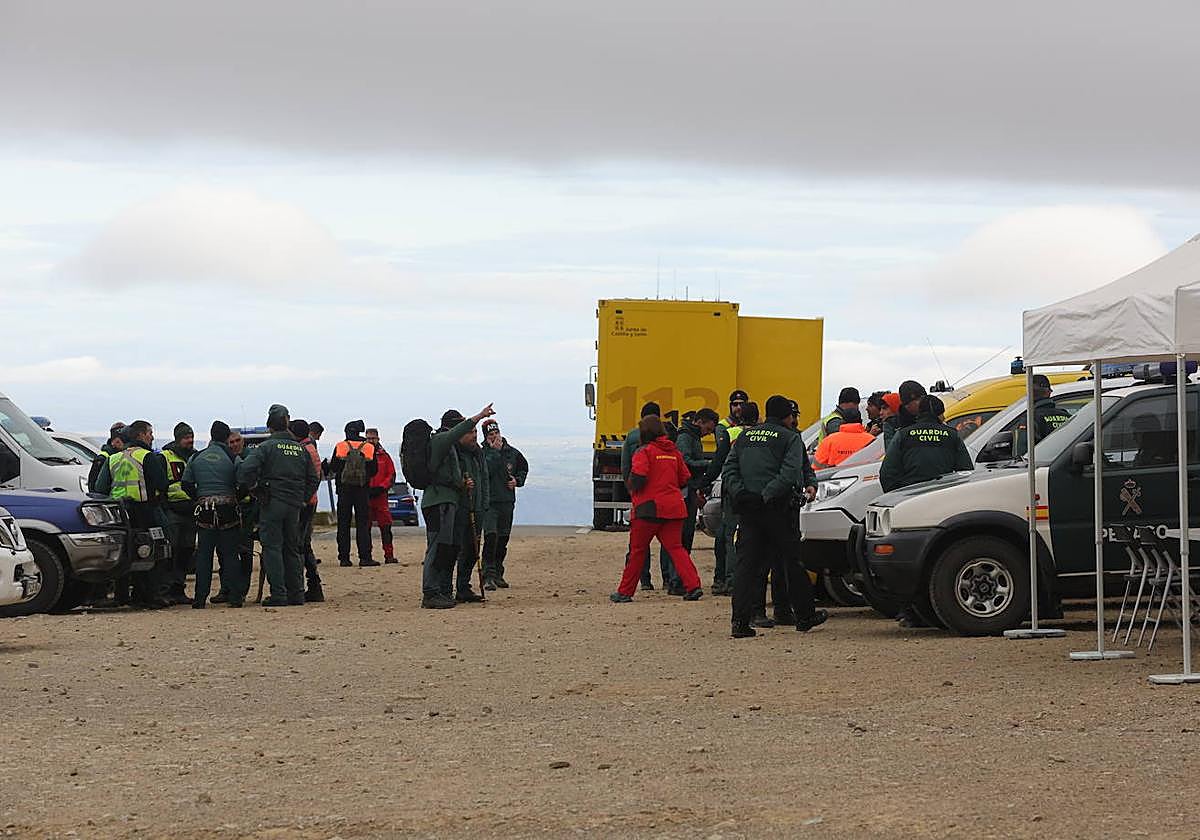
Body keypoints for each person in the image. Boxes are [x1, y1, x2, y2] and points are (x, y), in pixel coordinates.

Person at [723, 395, 826, 638]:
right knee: (792, 563)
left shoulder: (745, 437)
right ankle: (804, 616)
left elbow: (729, 469)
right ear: (786, 416)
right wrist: (766, 495)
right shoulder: (790, 438)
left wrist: (743, 494)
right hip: (779, 509)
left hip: (749, 509)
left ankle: (740, 622)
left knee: (747, 565)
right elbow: (790, 473)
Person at [610, 415, 704, 602]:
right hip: (674, 508)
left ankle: (625, 592)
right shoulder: (673, 452)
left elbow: (638, 476)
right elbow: (684, 478)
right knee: (676, 549)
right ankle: (693, 586)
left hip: (648, 509)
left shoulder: (644, 452)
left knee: (638, 550)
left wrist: (632, 488)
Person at [237, 404, 320, 607]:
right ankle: (297, 594)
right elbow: (313, 477)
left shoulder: (266, 447)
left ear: (269, 426)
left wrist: (255, 489)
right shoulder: (300, 449)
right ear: (287, 423)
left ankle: (279, 594)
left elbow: (245, 470)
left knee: (272, 548)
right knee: (293, 548)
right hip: (295, 506)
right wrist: (303, 498)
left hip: (272, 503)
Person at [420, 404, 495, 609]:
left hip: (448, 501)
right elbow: (458, 432)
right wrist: (480, 415)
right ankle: (432, 592)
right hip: (439, 502)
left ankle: (443, 591)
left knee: (448, 548)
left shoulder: (452, 447)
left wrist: (462, 484)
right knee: (438, 548)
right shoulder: (441, 440)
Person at [93, 420, 171, 609]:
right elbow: (162, 483)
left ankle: (121, 595)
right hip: (145, 511)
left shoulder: (114, 458)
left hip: (119, 513)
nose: (152, 437)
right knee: (152, 551)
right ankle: (148, 595)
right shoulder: (147, 457)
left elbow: (100, 487)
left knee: (124, 552)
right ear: (141, 435)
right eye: (150, 433)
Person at [182, 421, 244, 608]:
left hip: (205, 511)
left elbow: (185, 484)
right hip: (228, 510)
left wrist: (198, 498)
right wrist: (236, 497)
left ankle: (200, 599)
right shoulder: (233, 458)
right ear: (226, 438)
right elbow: (245, 482)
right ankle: (234, 597)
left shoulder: (196, 457)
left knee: (204, 555)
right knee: (231, 554)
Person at [621, 401, 677, 591]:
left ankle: (644, 580)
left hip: (642, 497)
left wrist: (631, 489)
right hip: (665, 497)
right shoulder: (666, 438)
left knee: (638, 544)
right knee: (670, 544)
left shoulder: (632, 437)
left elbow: (626, 467)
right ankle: (668, 579)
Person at [879, 395, 973, 492]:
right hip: (944, 495)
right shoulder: (952, 435)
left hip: (911, 498)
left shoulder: (903, 435)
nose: (944, 417)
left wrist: (898, 494)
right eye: (942, 413)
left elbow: (887, 473)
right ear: (937, 414)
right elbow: (966, 471)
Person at [480, 419, 528, 590]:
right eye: (490, 435)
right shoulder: (482, 453)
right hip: (489, 503)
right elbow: (486, 471)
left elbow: (523, 467)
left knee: (502, 539)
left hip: (507, 502)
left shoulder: (512, 453)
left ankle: (498, 573)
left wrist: (518, 481)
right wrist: (493, 452)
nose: (494, 437)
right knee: (491, 536)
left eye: (496, 434)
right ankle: (488, 575)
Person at [211, 429, 255, 606]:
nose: (234, 444)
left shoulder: (250, 457)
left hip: (247, 510)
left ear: (242, 441)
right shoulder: (224, 460)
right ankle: (226, 588)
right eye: (230, 442)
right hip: (227, 510)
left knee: (245, 551)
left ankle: (242, 590)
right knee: (224, 551)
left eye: (237, 441)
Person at [674, 407, 718, 580]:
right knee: (682, 535)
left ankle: (678, 578)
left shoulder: (692, 436)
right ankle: (676, 579)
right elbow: (685, 461)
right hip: (686, 490)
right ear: (699, 422)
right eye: (707, 429)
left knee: (685, 535)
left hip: (690, 488)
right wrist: (707, 464)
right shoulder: (686, 437)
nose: (707, 434)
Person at [330, 420, 378, 567]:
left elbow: (334, 467)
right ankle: (365, 557)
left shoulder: (340, 446)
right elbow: (374, 470)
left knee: (343, 524)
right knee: (363, 524)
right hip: (362, 489)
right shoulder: (369, 447)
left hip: (344, 490)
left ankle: (344, 558)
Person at [451, 424, 490, 602]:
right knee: (458, 549)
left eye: (475, 432)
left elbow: (484, 477)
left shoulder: (477, 453)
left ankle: (463, 586)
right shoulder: (456, 452)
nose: (474, 436)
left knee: (473, 550)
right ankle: (449, 587)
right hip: (462, 507)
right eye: (470, 432)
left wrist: (485, 502)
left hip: (478, 506)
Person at [162, 422, 197, 605]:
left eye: (191, 437)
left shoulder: (195, 457)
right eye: (186, 437)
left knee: (186, 550)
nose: (190, 440)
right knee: (171, 551)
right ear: (178, 439)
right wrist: (166, 506)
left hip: (191, 509)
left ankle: (178, 588)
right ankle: (166, 590)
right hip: (173, 509)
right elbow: (160, 483)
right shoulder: (165, 456)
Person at [291, 419, 325, 602]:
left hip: (304, 502)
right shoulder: (311, 447)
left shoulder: (303, 450)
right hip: (311, 501)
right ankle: (313, 585)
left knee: (299, 544)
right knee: (304, 543)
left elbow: (311, 478)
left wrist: (303, 499)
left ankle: (307, 586)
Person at [365, 427, 398, 564]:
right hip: (366, 496)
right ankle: (367, 556)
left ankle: (389, 555)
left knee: (386, 527)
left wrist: (381, 487)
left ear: (378, 439)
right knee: (365, 528)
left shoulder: (384, 456)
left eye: (373, 438)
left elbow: (391, 475)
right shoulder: (361, 454)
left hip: (381, 496)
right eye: (368, 438)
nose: (371, 441)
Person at [883, 380, 926, 447]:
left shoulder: (934, 417)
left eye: (924, 398)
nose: (923, 402)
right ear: (906, 404)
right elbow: (892, 453)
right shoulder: (893, 426)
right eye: (918, 399)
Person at [88, 422, 126, 493]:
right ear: (115, 441)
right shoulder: (103, 458)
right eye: (123, 440)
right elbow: (93, 487)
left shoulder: (124, 455)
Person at [1032, 374, 1072, 443]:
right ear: (1049, 392)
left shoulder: (1030, 418)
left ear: (1030, 393)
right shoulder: (1066, 416)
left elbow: (1022, 450)